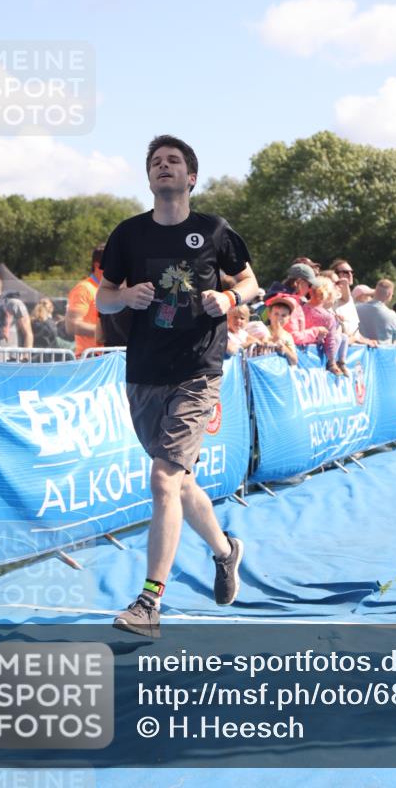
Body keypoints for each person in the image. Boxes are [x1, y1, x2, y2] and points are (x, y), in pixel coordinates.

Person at [96, 135, 258, 638]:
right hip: (144, 372)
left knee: (164, 480)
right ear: (149, 179)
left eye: (174, 161)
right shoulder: (128, 235)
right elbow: (102, 301)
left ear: (191, 177)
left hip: (198, 371)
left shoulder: (213, 230)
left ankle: (149, 603)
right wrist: (124, 293)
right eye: (156, 162)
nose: (164, 167)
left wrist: (230, 301)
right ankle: (226, 551)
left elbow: (252, 281)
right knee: (181, 483)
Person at [65, 245, 105, 358]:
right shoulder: (84, 289)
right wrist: (103, 332)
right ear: (98, 265)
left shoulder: (106, 290)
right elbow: (71, 325)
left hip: (105, 357)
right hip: (89, 358)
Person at [357, 279, 396, 345]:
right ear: (389, 294)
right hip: (383, 354)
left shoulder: (356, 309)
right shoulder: (393, 316)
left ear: (375, 292)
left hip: (359, 352)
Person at [263, 293, 298, 366]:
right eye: (276, 314)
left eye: (284, 315)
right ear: (269, 315)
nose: (279, 318)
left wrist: (284, 348)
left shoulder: (288, 336)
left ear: (288, 318)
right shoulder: (263, 330)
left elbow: (294, 361)